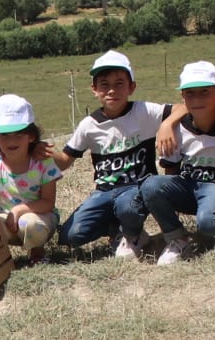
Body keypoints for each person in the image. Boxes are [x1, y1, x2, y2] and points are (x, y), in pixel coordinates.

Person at [46, 50, 170, 259]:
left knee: (127, 207)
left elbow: (182, 109)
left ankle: (132, 235)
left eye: (119, 83)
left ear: (132, 87)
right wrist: (47, 153)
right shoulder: (89, 125)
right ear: (94, 89)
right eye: (104, 84)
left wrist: (169, 124)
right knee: (71, 236)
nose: (112, 90)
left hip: (136, 188)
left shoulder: (144, 112)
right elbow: (65, 161)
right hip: (104, 192)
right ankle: (117, 231)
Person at [142, 60, 215, 263]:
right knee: (150, 186)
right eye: (190, 93)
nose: (197, 99)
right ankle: (177, 239)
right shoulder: (177, 129)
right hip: (190, 187)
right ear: (182, 96)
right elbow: (171, 170)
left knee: (209, 222)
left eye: (204, 92)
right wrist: (169, 199)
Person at [0, 94, 60, 264]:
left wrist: (17, 211)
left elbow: (48, 202)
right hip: (5, 218)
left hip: (38, 216)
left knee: (31, 225)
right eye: (4, 135)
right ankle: (0, 258)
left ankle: (37, 251)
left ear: (31, 136)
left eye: (18, 134)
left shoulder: (43, 164)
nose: (11, 141)